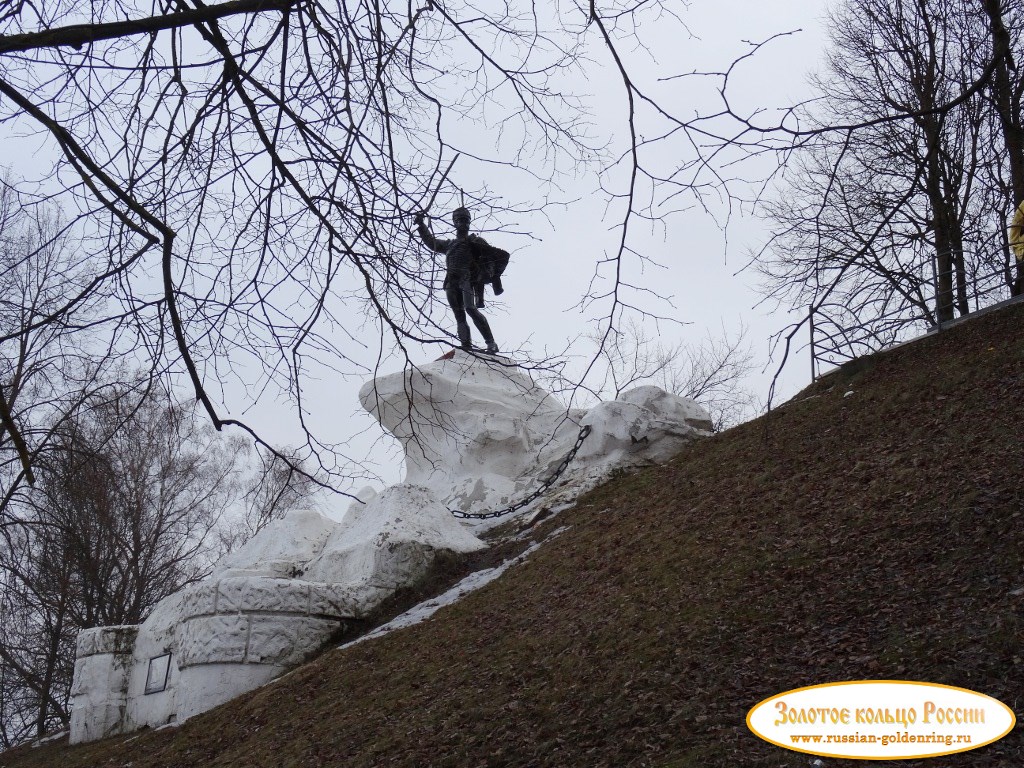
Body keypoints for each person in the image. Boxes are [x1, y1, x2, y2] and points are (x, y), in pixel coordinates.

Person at [415, 207, 506, 354]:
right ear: (455, 223)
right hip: (451, 282)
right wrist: (422, 226)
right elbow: (432, 243)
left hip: (467, 280)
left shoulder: (475, 241)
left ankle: (491, 343)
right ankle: (466, 345)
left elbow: (490, 260)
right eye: (459, 220)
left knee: (470, 308)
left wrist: (485, 274)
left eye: (466, 220)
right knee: (459, 316)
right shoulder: (449, 244)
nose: (463, 223)